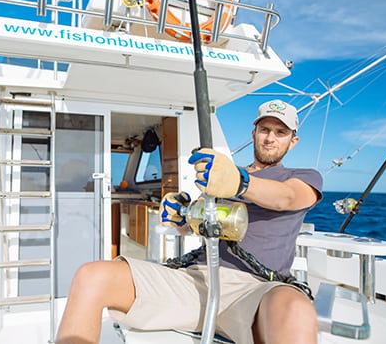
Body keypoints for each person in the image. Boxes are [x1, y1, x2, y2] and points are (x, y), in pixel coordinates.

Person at [56, 99, 323, 344]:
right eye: (265, 129)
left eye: (280, 133)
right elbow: (197, 224)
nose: (270, 138)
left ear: (293, 141)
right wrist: (179, 216)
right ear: (254, 133)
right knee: (93, 276)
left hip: (254, 289)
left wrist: (238, 182)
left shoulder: (302, 177)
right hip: (195, 280)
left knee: (294, 307)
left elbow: (286, 199)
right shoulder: (220, 179)